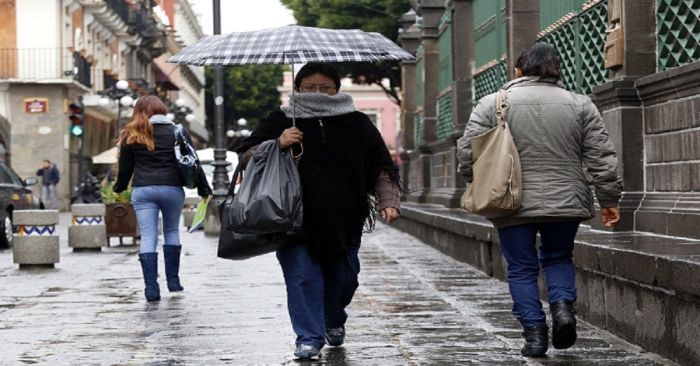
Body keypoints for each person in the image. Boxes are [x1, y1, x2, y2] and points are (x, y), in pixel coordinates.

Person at [456, 42, 623, 358]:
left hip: (508, 200)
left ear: (518, 71)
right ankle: (562, 308)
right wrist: (608, 198)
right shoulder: (580, 104)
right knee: (559, 257)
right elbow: (601, 156)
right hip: (566, 199)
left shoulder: (492, 103)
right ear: (555, 70)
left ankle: (534, 335)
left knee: (520, 267)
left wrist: (475, 180)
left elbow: (468, 152)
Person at [235, 62, 401, 360]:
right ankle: (308, 337)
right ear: (297, 88)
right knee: (301, 278)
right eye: (310, 87)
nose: (318, 93)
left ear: (337, 88)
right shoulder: (281, 119)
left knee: (345, 278)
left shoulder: (357, 122)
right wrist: (277, 143)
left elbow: (380, 164)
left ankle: (334, 318)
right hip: (291, 217)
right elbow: (247, 155)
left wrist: (388, 201)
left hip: (346, 216)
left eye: (326, 87)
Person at [114, 95, 212, 302]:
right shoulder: (177, 131)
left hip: (143, 190)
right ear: (162, 110)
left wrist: (119, 188)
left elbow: (125, 168)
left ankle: (151, 288)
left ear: (139, 111)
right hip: (172, 188)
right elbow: (193, 161)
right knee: (170, 231)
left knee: (149, 236)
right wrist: (204, 188)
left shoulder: (132, 133)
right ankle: (174, 281)